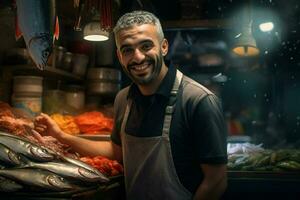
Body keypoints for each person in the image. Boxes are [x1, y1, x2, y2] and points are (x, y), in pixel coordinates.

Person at [35, 10, 228, 200]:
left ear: (164, 47)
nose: (137, 57)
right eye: (127, 50)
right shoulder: (123, 99)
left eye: (146, 46)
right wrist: (61, 136)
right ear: (119, 56)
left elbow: (216, 181)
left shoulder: (199, 101)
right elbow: (118, 152)